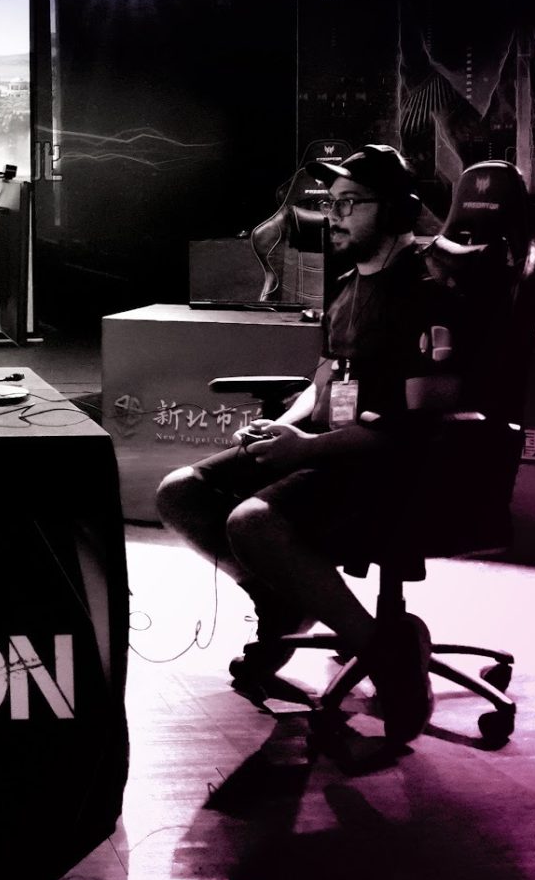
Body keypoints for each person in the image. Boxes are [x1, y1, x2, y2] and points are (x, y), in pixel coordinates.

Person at [154, 145, 439, 743]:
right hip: (325, 444)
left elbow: (421, 422)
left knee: (253, 522)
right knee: (183, 492)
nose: (332, 216)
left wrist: (306, 449)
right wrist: (284, 424)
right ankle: (285, 601)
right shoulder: (349, 283)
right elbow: (326, 378)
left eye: (349, 204)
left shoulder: (425, 289)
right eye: (329, 204)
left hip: (387, 461)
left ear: (395, 212)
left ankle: (385, 654)